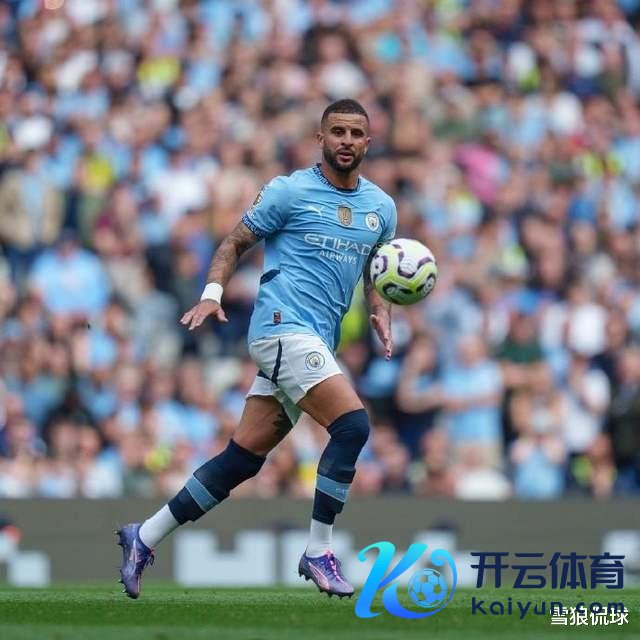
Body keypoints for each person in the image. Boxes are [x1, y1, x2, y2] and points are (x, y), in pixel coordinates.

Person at [116, 99, 397, 599]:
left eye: (356, 133)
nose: (347, 141)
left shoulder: (381, 209)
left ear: (368, 142)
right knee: (352, 426)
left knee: (243, 458)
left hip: (316, 341)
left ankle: (145, 535)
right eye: (338, 131)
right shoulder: (290, 191)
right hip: (281, 328)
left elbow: (377, 268)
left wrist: (380, 308)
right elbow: (233, 242)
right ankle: (319, 550)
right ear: (320, 138)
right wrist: (212, 294)